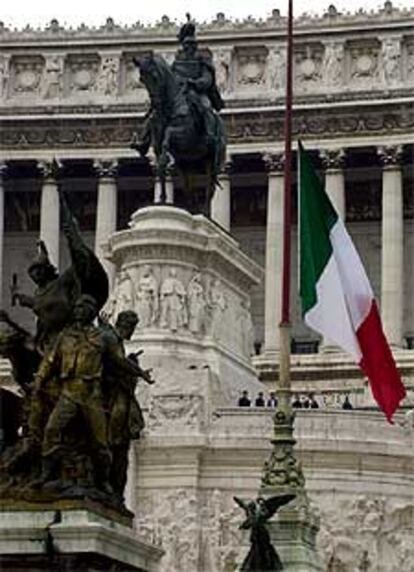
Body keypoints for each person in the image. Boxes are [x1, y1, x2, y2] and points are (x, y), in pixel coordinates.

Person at [32, 295, 145, 494]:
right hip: (68, 393)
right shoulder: (64, 337)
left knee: (101, 443)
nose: (79, 311)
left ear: (91, 312)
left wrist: (140, 372)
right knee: (51, 431)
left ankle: (103, 481)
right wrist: (39, 379)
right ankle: (45, 474)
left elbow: (119, 360)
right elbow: (49, 361)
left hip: (91, 396)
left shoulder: (102, 337)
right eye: (77, 308)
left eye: (84, 308)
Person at [99, 310, 154, 499]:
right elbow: (119, 361)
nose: (133, 332)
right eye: (133, 327)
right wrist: (141, 373)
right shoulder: (111, 337)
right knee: (120, 411)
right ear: (127, 326)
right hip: (106, 387)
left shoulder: (113, 336)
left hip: (115, 386)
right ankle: (112, 438)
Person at [171, 14, 224, 148]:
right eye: (187, 44)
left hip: (198, 93)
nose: (189, 47)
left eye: (192, 44)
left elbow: (207, 79)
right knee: (156, 114)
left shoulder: (202, 59)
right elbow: (172, 79)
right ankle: (144, 140)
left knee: (206, 107)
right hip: (181, 94)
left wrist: (195, 83)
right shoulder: (177, 61)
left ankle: (210, 134)